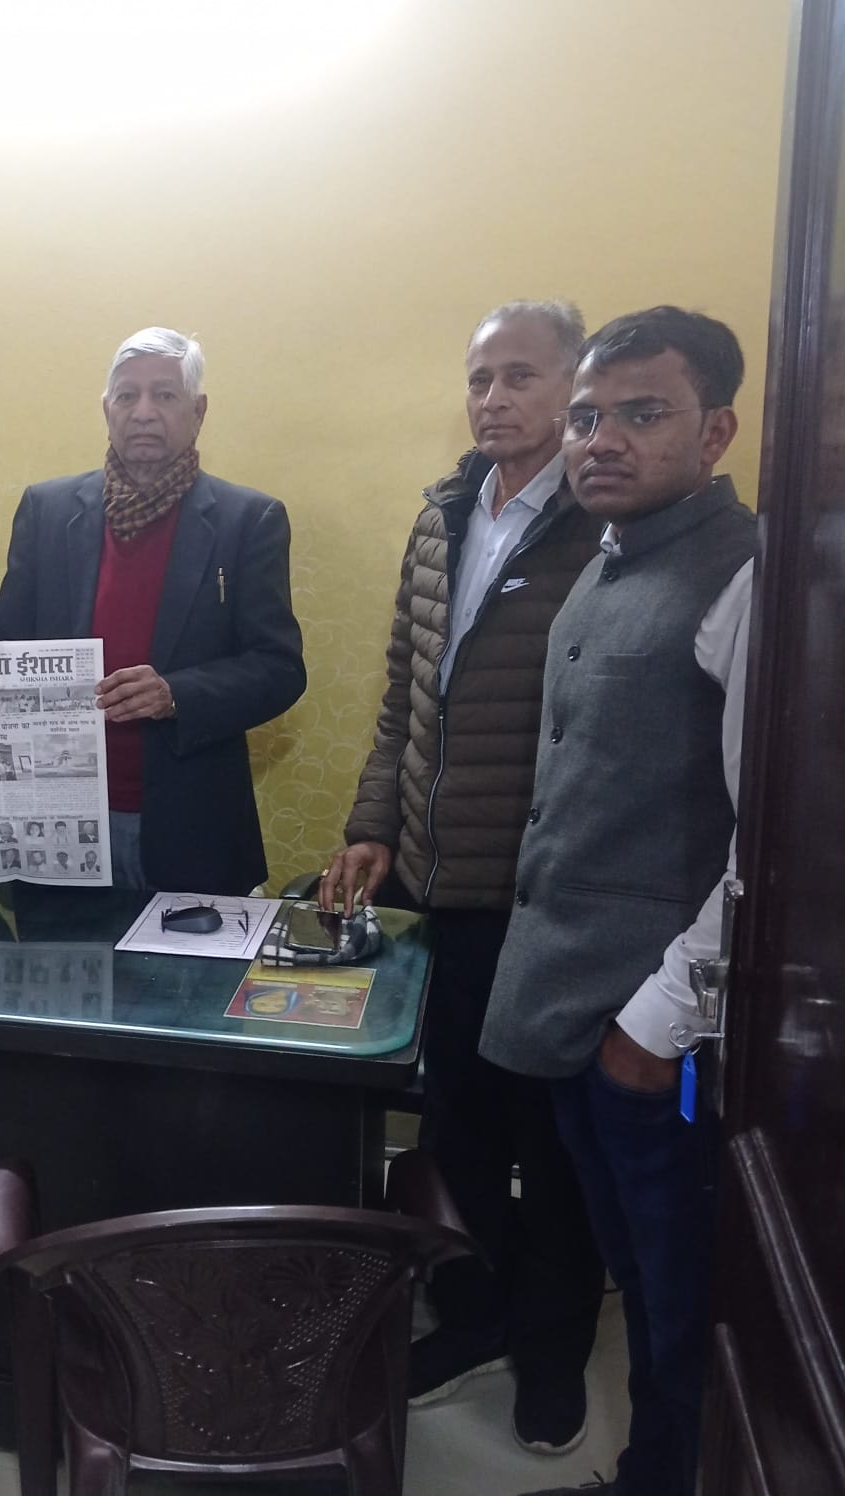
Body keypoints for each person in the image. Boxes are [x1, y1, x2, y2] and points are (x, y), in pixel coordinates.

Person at [320, 301, 607, 1448]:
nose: (492, 398)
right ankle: (473, 1310)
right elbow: (402, 693)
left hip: (543, 893)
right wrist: (371, 823)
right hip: (434, 886)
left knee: (555, 1140)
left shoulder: (601, 521)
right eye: (479, 377)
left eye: (519, 376)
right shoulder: (443, 515)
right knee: (457, 1123)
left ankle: (551, 1345)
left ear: (572, 386)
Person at [479, 308, 756, 1496]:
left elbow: (771, 842)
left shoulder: (744, 577)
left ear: (715, 431)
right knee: (636, 1282)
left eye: (642, 414)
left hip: (658, 1030)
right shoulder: (611, 556)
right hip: (575, 1002)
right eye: (587, 416)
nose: (601, 439)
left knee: (683, 1298)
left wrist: (656, 1022)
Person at [0, 327, 306, 894]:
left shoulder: (248, 520)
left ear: (198, 411)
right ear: (106, 409)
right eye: (127, 395)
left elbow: (279, 669)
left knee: (187, 959)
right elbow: (11, 644)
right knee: (63, 955)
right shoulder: (46, 510)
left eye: (164, 395)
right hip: (56, 823)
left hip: (192, 824)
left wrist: (175, 694)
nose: (143, 412)